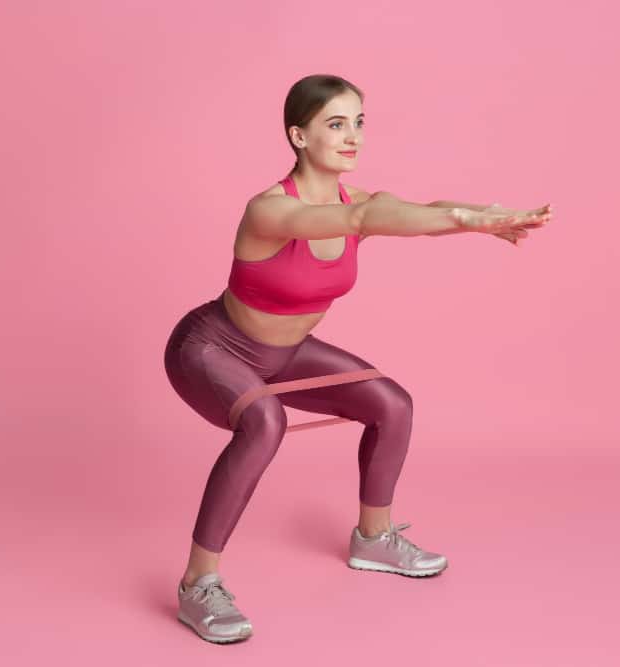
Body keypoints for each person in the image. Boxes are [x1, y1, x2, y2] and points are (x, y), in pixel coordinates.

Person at [165, 74, 552, 643]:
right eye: (336, 124)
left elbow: (415, 209)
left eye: (360, 122)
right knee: (263, 422)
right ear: (298, 136)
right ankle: (199, 584)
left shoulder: (360, 199)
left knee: (391, 403)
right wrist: (465, 222)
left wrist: (484, 216)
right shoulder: (270, 210)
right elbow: (357, 223)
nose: (354, 137)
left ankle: (373, 538)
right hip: (209, 348)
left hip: (285, 354)